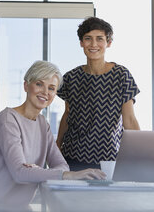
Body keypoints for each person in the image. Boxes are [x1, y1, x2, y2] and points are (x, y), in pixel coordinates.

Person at [0, 60, 105, 211]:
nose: (45, 92)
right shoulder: (8, 120)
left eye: (51, 88)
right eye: (39, 84)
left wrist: (36, 170)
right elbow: (20, 173)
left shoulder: (43, 125)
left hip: (17, 207)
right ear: (26, 85)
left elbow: (61, 165)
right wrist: (70, 175)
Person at [56, 17, 140, 171]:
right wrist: (57, 146)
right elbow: (67, 114)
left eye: (99, 39)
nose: (93, 44)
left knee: (109, 196)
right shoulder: (70, 77)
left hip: (109, 159)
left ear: (108, 43)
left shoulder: (121, 75)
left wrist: (141, 154)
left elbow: (129, 119)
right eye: (88, 39)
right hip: (72, 157)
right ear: (81, 43)